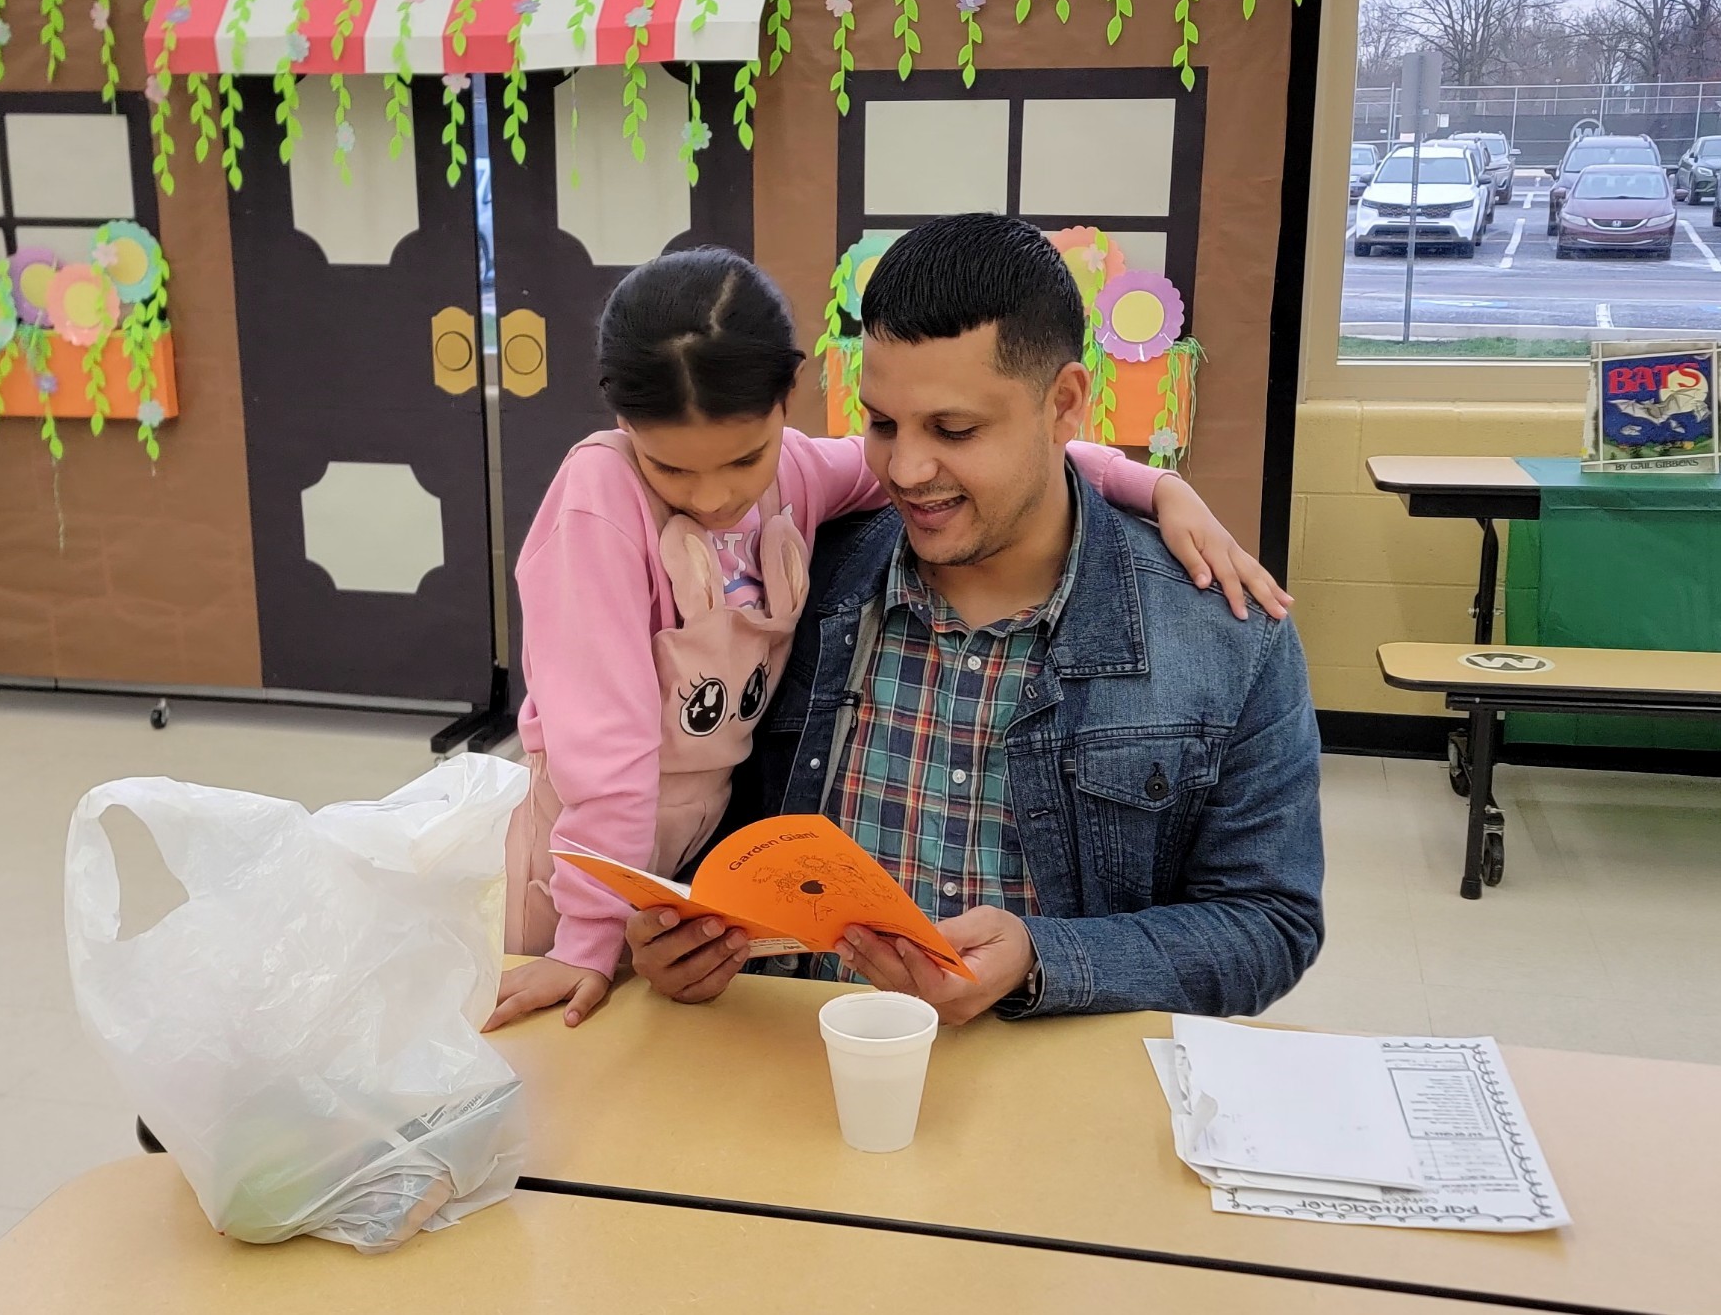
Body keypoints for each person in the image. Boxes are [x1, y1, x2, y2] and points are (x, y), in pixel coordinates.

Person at [489, 245, 1286, 1029]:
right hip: (611, 902)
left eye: (955, 428)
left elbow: (1266, 925)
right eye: (881, 423)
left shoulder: (1221, 629)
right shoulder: (787, 553)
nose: (904, 471)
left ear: (1064, 403)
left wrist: (1159, 483)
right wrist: (639, 940)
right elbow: (619, 764)